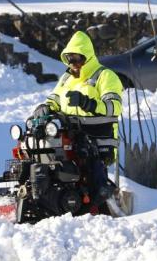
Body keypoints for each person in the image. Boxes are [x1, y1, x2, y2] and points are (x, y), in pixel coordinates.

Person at [32, 31, 123, 204]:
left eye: (76, 58)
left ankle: (100, 202)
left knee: (93, 175)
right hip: (70, 137)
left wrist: (88, 103)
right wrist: (44, 108)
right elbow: (55, 100)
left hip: (96, 140)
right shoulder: (67, 78)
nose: (72, 64)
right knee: (37, 148)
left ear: (87, 57)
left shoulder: (105, 76)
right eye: (69, 59)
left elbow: (114, 107)